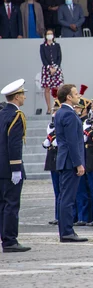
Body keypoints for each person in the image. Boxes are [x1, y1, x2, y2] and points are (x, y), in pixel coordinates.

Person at [53, 84, 87, 243]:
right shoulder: (69, 114)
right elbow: (72, 142)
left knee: (64, 197)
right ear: (68, 97)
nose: (78, 95)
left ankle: (65, 230)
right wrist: (78, 163)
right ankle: (67, 231)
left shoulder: (61, 112)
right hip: (69, 161)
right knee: (67, 198)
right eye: (75, 93)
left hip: (64, 160)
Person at [0, 79, 30, 252]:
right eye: (23, 94)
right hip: (10, 168)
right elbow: (14, 145)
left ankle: (5, 237)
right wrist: (16, 169)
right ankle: (10, 240)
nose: (25, 97)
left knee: (2, 204)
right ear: (17, 97)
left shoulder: (2, 113)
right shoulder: (16, 115)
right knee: (12, 204)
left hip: (0, 167)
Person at [40, 29, 64, 114]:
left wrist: (55, 68)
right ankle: (49, 108)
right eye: (48, 34)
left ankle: (57, 106)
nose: (49, 35)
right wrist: (49, 68)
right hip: (47, 70)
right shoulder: (42, 46)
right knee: (47, 88)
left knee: (57, 88)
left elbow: (59, 57)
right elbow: (43, 58)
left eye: (51, 34)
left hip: (56, 69)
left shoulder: (57, 45)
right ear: (45, 36)